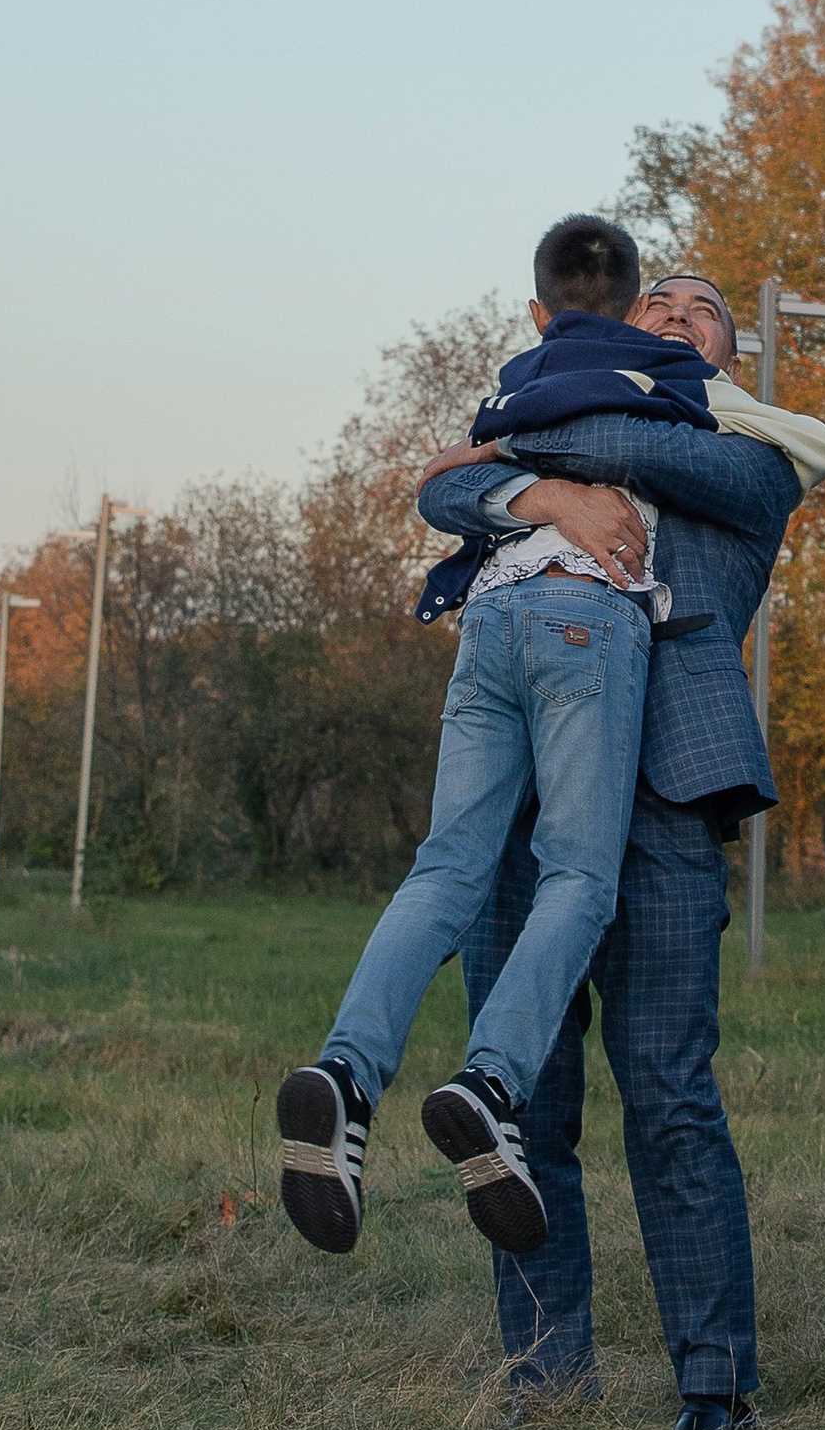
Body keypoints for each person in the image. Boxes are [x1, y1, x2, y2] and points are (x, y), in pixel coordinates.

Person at [417, 256, 825, 1430]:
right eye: (650, 305)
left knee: (667, 1095)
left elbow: (623, 454)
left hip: (662, 797)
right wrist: (539, 500)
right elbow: (437, 499)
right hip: (520, 801)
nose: (670, 316)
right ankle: (548, 1380)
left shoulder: (745, 452)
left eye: (697, 312)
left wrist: (527, 455)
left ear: (727, 359)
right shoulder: (549, 435)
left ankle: (716, 1385)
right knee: (520, 1100)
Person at [274, 216, 725, 1260]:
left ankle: (345, 1078)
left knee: (447, 868)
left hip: (489, 623)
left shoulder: (516, 381)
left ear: (535, 311)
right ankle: (490, 1082)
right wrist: (559, 479)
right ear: (631, 313)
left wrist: (504, 460)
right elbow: (654, 441)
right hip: (583, 619)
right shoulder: (669, 379)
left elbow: (451, 477)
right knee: (578, 876)